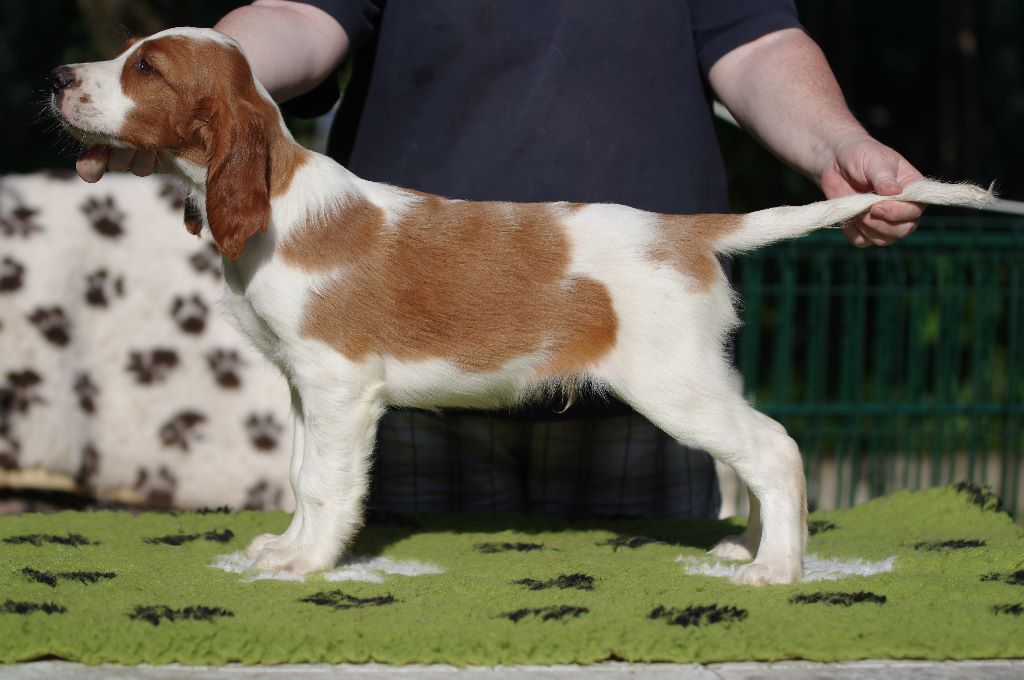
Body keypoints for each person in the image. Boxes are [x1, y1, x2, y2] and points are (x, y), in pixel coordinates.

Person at [77, 0, 925, 519]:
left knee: (657, 635)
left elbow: (760, 40)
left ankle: (773, 509)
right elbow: (299, 13)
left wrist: (837, 140)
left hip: (624, 321)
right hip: (418, 396)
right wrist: (199, 89)